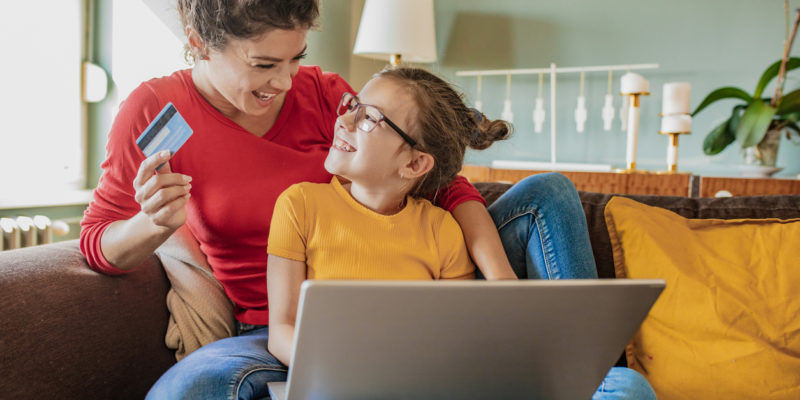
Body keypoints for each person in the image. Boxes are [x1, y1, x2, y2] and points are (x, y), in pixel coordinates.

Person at [78, 0, 653, 398]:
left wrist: (500, 286)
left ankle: (590, 376)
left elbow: (438, 180)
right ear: (199, 44)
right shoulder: (154, 111)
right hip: (280, 327)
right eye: (263, 64)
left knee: (547, 193)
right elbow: (98, 243)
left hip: (416, 293)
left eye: (297, 57)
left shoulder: (330, 97)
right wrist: (151, 225)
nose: (286, 81)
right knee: (189, 388)